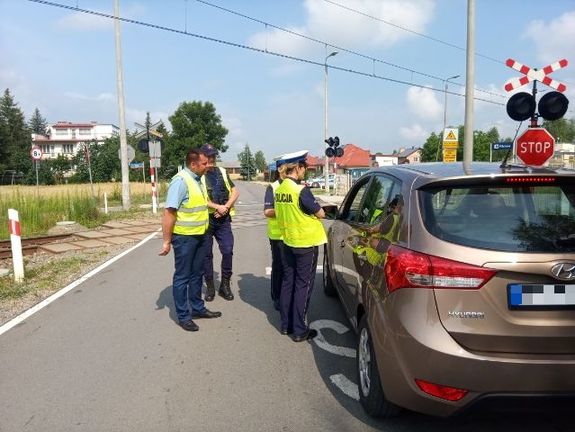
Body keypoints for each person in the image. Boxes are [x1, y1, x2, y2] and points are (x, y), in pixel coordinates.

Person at [159, 148, 222, 332]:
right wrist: (166, 241)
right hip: (185, 239)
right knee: (182, 277)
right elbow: (169, 212)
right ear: (193, 164)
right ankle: (183, 316)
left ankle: (197, 309)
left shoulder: (198, 179)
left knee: (197, 274)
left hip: (200, 235)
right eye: (204, 163)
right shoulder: (180, 181)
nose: (207, 166)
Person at [273, 150, 326, 342]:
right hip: (306, 243)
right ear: (298, 168)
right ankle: (299, 330)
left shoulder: (279, 190)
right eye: (304, 167)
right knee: (303, 285)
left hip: (287, 241)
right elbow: (320, 214)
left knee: (288, 283)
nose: (305, 172)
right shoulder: (301, 190)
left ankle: (285, 325)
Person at [199, 143, 240, 302]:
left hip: (223, 219)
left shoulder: (222, 171)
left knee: (228, 251)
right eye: (208, 156)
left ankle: (225, 285)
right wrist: (217, 207)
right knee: (206, 255)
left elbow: (235, 191)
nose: (211, 159)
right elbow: (199, 198)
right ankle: (210, 287)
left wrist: (226, 206)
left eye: (213, 156)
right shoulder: (198, 175)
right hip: (206, 220)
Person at [263, 157, 287, 311]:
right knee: (279, 267)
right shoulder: (273, 187)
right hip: (278, 236)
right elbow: (267, 211)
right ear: (280, 170)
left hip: (294, 235)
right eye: (287, 168)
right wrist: (286, 209)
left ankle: (287, 296)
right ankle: (277, 297)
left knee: (290, 269)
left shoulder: (297, 186)